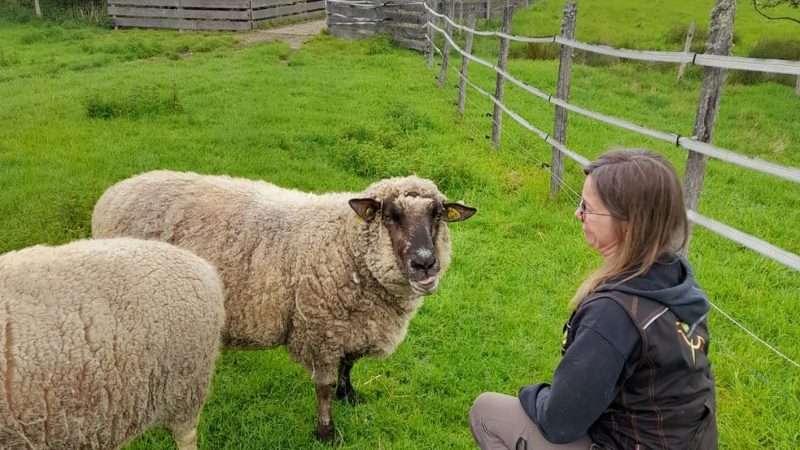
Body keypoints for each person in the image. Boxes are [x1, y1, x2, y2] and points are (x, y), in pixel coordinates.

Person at [469, 149, 717, 450]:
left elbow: (558, 423)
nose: (578, 214)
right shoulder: (678, 282)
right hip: (685, 441)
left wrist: (532, 394)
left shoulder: (612, 315)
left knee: (487, 411)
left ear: (627, 222)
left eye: (587, 207)